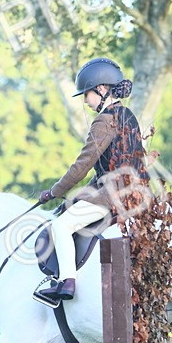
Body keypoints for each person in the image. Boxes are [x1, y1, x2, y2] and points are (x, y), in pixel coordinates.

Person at [34, 57, 148, 305]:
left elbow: (82, 165)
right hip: (137, 191)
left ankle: (67, 282)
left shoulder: (105, 120)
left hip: (114, 194)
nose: (85, 100)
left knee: (61, 226)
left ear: (102, 89)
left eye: (87, 94)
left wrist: (55, 191)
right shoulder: (128, 115)